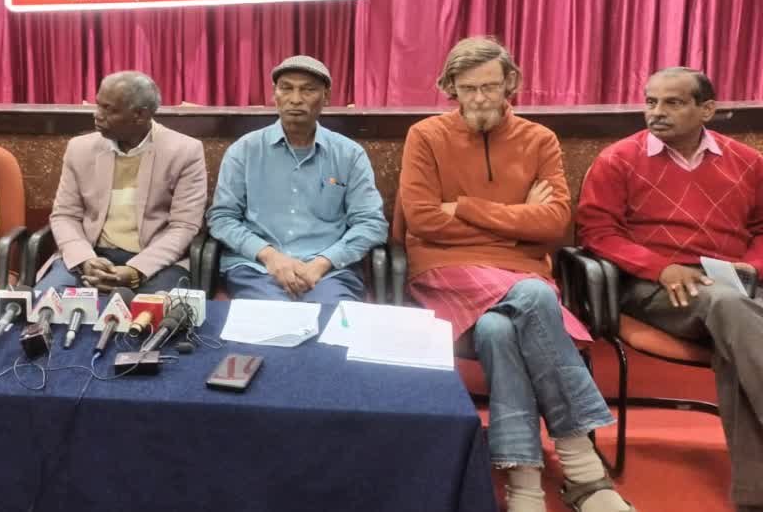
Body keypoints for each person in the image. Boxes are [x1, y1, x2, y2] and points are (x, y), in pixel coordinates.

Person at [397, 37, 631, 512]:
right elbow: (422, 219)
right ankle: (583, 467)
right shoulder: (425, 135)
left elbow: (554, 223)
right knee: (535, 297)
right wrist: (518, 219)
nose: (480, 98)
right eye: (468, 89)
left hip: (519, 271)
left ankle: (523, 482)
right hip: (444, 269)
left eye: (490, 86)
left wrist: (464, 208)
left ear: (510, 84)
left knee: (499, 330)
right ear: (451, 88)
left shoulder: (539, 139)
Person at [577, 67, 763, 512]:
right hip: (653, 288)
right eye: (651, 102)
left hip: (734, 283)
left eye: (672, 103)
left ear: (707, 109)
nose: (656, 112)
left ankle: (754, 496)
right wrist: (660, 268)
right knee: (730, 307)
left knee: (736, 330)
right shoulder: (618, 159)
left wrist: (752, 265)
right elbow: (597, 232)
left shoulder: (748, 162)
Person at [207, 55, 387, 303]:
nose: (295, 99)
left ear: (326, 96)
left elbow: (371, 223)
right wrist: (270, 256)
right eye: (286, 88)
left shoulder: (349, 155)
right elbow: (222, 218)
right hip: (258, 269)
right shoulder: (244, 151)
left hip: (329, 274)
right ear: (274, 94)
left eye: (308, 90)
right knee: (270, 322)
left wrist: (323, 263)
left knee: (330, 322)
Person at [35, 71, 206, 293]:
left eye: (109, 109)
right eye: (98, 105)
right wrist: (85, 259)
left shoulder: (184, 151)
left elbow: (183, 226)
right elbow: (65, 215)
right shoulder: (80, 148)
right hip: (90, 255)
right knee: (46, 302)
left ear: (140, 115)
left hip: (155, 261)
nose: (97, 115)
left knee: (153, 311)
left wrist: (136, 271)